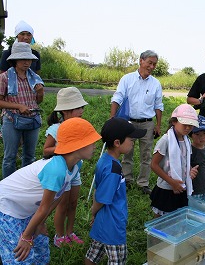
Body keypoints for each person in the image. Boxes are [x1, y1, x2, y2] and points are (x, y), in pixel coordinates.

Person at [0, 117, 101, 264]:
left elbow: (58, 197)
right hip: (7, 208)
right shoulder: (56, 169)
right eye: (91, 142)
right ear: (77, 145)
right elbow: (44, 206)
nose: (95, 146)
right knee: (19, 256)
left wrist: (41, 223)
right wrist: (26, 237)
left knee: (41, 249)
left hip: (28, 210)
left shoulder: (76, 164)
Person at [85, 117, 146, 265]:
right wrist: (93, 212)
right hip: (113, 224)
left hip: (102, 221)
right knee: (117, 261)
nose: (133, 142)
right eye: (130, 139)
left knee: (93, 255)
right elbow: (101, 199)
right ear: (117, 143)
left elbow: (97, 191)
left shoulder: (104, 160)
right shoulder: (114, 169)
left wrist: (96, 215)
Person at [110, 50, 164, 195]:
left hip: (147, 123)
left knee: (146, 154)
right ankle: (127, 179)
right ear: (141, 61)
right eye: (149, 63)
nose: (152, 67)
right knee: (127, 151)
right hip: (128, 122)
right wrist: (112, 117)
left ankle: (143, 183)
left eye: (154, 64)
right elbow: (118, 97)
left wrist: (158, 125)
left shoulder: (156, 84)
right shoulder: (127, 79)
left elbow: (158, 105)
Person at [43, 87, 88, 247]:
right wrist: (65, 148)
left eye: (82, 107)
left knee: (73, 203)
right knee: (62, 204)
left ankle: (70, 232)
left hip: (75, 170)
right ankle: (59, 235)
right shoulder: (56, 128)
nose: (81, 111)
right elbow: (46, 150)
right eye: (78, 108)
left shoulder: (80, 126)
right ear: (66, 111)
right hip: (62, 172)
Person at [0, 41, 44, 178]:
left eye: (29, 59)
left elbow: (38, 102)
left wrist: (40, 93)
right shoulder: (5, 77)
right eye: (23, 59)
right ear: (15, 60)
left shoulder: (35, 78)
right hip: (12, 119)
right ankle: (7, 188)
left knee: (30, 157)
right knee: (9, 158)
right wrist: (18, 106)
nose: (27, 62)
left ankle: (24, 185)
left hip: (32, 120)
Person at [150, 104, 199, 217]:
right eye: (184, 124)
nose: (187, 128)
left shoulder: (187, 140)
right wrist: (172, 182)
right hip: (166, 187)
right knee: (160, 219)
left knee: (177, 217)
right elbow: (154, 165)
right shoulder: (166, 140)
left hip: (181, 186)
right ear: (174, 122)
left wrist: (190, 170)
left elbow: (184, 161)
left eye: (190, 125)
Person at [189, 115, 205, 202]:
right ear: (191, 135)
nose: (202, 137)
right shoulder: (190, 150)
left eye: (204, 133)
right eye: (197, 134)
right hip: (193, 191)